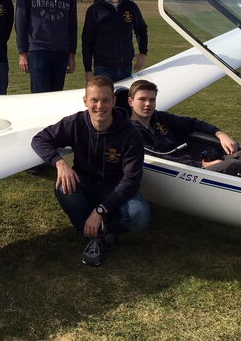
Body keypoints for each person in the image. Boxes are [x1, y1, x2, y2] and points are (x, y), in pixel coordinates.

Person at [31, 75, 151, 266]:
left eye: (105, 100)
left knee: (140, 215)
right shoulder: (75, 123)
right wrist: (60, 163)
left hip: (115, 186)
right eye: (94, 100)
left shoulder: (130, 133)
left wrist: (100, 211)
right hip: (85, 182)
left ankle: (101, 229)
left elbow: (131, 181)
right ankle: (96, 236)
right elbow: (39, 139)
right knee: (64, 187)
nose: (100, 106)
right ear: (85, 101)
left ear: (114, 101)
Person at [15, 0, 77, 93]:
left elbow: (72, 23)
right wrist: (22, 53)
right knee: (40, 96)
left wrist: (71, 55)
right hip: (38, 50)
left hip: (61, 52)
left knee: (56, 96)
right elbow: (20, 21)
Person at [82, 0, 148, 82]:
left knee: (125, 94)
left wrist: (143, 53)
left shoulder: (131, 7)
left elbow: (141, 30)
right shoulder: (94, 10)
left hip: (126, 68)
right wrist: (88, 69)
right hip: (102, 68)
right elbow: (87, 41)